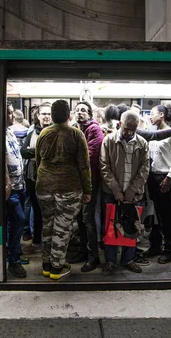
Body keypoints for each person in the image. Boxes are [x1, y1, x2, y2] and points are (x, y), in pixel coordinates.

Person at [36, 100, 91, 280]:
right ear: (69, 116)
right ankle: (56, 268)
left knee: (47, 224)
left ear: (51, 116)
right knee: (62, 227)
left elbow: (38, 161)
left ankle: (46, 264)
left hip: (44, 186)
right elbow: (84, 165)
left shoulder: (43, 133)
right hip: (69, 188)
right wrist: (88, 189)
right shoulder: (76, 134)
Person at [100, 110, 150, 275]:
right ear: (120, 124)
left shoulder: (142, 143)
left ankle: (128, 259)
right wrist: (116, 190)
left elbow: (144, 169)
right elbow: (104, 167)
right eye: (127, 128)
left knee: (132, 228)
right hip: (112, 193)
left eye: (133, 128)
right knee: (111, 227)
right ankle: (110, 261)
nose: (129, 132)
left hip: (134, 195)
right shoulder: (109, 141)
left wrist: (131, 191)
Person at [145, 105, 171, 264]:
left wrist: (169, 177)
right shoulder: (153, 134)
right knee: (155, 214)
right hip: (152, 176)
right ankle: (155, 245)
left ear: (162, 114)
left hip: (165, 177)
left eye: (152, 114)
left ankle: (169, 249)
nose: (150, 117)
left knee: (167, 215)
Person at [72, 101, 105, 272]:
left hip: (91, 180)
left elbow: (91, 156)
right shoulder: (74, 129)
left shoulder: (94, 129)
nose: (79, 113)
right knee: (80, 218)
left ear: (90, 114)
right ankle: (83, 252)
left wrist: (71, 160)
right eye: (77, 110)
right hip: (77, 180)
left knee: (88, 219)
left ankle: (94, 257)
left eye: (83, 110)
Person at [20, 102, 52, 254]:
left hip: (52, 179)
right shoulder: (32, 132)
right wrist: (39, 152)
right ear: (38, 116)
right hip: (32, 177)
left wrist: (33, 151)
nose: (46, 116)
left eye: (48, 113)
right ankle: (38, 241)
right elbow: (23, 152)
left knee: (51, 212)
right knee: (37, 210)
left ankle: (51, 242)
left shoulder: (55, 132)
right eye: (43, 113)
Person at [6, 102, 27, 279]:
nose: (13, 116)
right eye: (10, 113)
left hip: (20, 185)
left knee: (16, 223)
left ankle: (16, 253)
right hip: (10, 187)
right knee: (18, 220)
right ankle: (13, 261)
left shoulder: (10, 132)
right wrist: (6, 181)